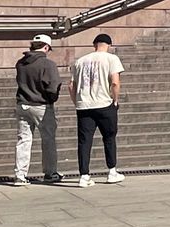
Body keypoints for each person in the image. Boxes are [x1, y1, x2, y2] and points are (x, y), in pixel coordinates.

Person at [72, 32, 125, 187]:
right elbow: (115, 82)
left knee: (84, 141)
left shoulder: (80, 61)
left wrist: (77, 102)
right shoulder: (111, 59)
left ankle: (84, 176)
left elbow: (71, 85)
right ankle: (112, 171)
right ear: (109, 45)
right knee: (109, 137)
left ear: (94, 45)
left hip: (84, 105)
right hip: (104, 104)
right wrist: (115, 100)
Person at [13, 32, 63, 185]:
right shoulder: (48, 64)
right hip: (41, 105)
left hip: (23, 104)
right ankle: (50, 173)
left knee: (23, 140)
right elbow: (53, 86)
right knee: (48, 139)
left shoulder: (20, 63)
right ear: (46, 47)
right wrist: (51, 98)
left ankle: (20, 175)